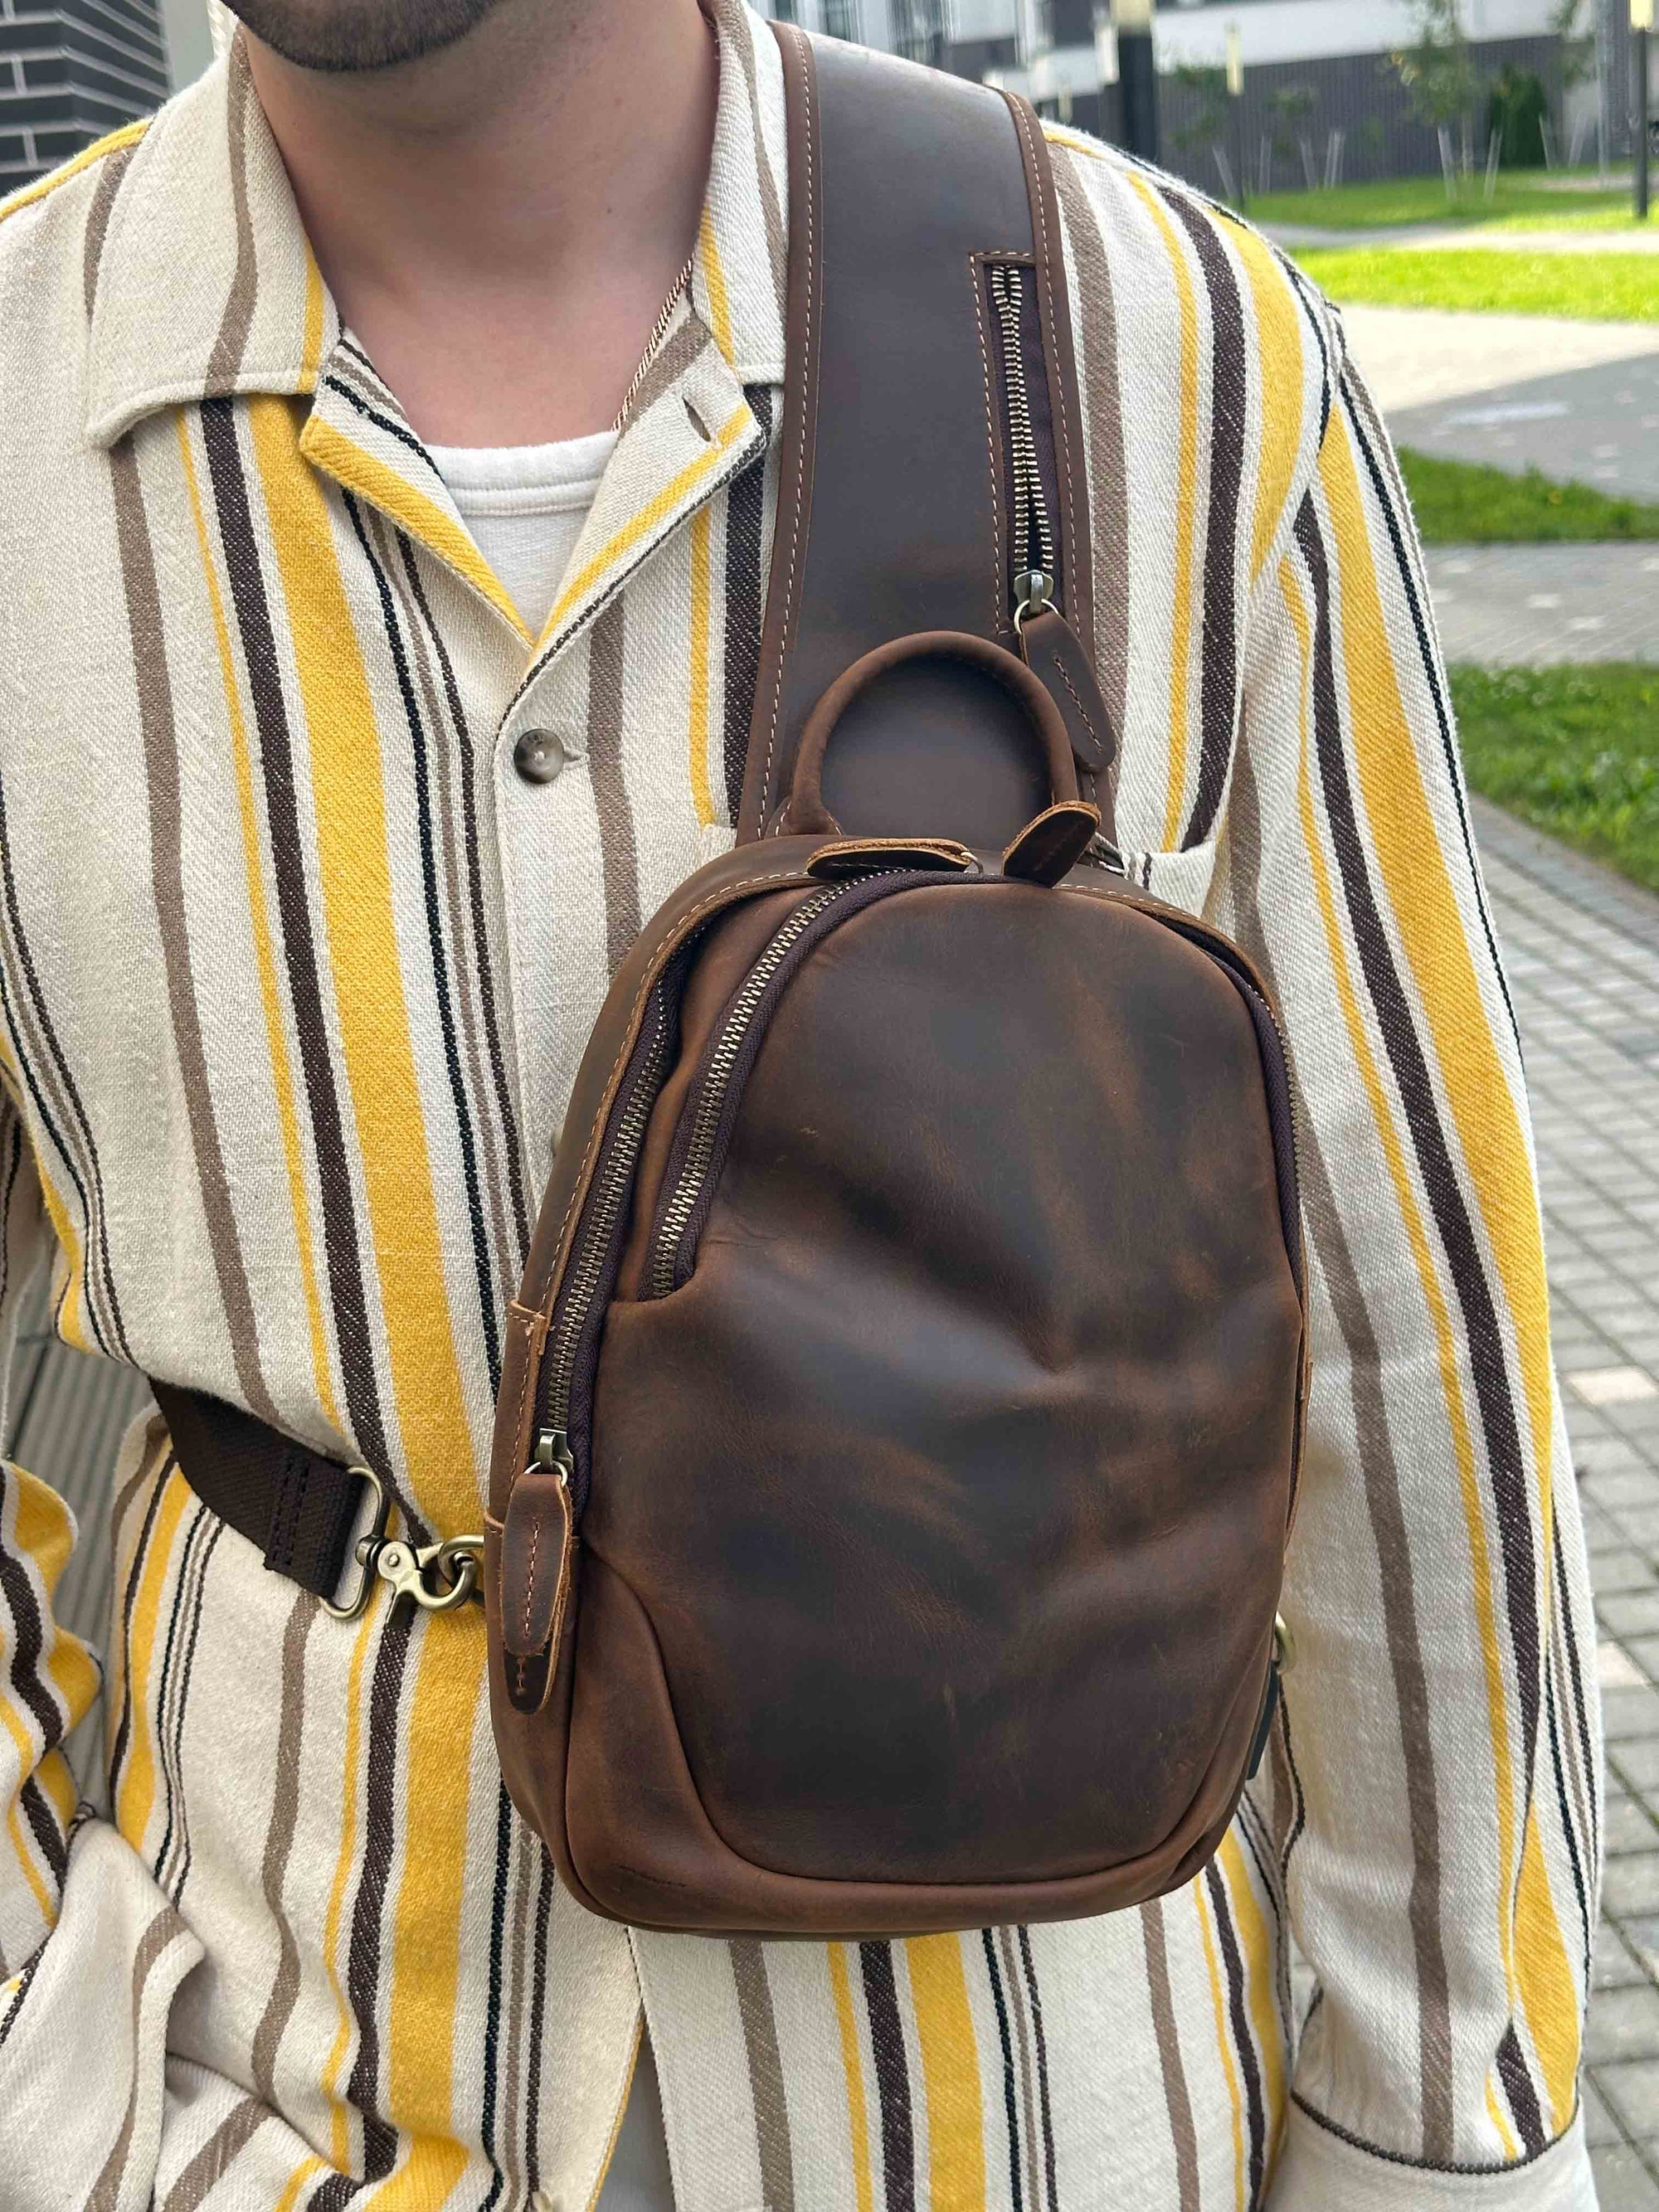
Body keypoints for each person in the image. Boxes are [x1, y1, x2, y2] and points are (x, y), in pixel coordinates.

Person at [0, 0, 1602, 2205]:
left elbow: (1422, 1337)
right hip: (260, 2104)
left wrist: (1433, 2130)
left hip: (1065, 2114)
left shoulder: (1179, 354)